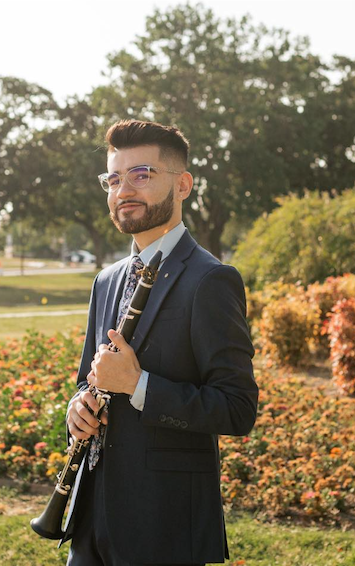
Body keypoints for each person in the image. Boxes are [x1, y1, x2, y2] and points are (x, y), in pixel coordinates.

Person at [63, 119, 258, 566]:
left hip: (164, 527)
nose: (123, 190)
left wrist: (138, 385)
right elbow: (85, 382)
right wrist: (76, 409)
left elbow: (238, 408)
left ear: (183, 184)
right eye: (113, 178)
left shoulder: (212, 280)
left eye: (142, 175)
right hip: (92, 519)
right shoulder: (106, 280)